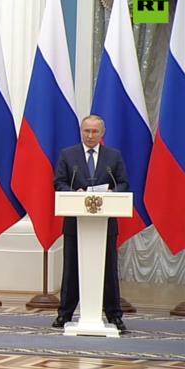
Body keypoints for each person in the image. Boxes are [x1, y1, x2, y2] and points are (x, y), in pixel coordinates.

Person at [52, 115, 127, 332]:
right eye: (87, 131)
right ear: (81, 131)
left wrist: (113, 192)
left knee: (108, 270)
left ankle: (114, 315)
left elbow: (123, 183)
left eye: (95, 131)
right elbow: (59, 183)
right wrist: (74, 193)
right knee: (71, 269)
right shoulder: (68, 155)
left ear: (103, 133)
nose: (90, 135)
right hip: (76, 222)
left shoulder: (114, 156)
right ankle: (65, 314)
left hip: (105, 224)